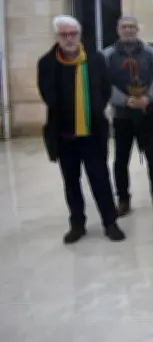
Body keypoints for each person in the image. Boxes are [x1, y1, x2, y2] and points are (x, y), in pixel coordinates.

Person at [37, 15, 125, 244]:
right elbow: (48, 95)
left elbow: (105, 89)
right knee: (71, 181)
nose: (68, 38)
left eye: (72, 34)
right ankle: (77, 224)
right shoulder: (47, 63)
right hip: (65, 135)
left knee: (100, 179)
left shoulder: (95, 59)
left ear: (79, 35)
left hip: (92, 133)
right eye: (63, 34)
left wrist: (93, 108)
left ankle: (110, 222)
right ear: (57, 36)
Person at [103, 16, 153, 216]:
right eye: (124, 27)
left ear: (137, 29)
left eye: (132, 26)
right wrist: (124, 100)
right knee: (121, 160)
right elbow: (103, 83)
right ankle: (123, 199)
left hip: (147, 114)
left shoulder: (150, 52)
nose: (128, 30)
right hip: (122, 116)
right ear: (117, 29)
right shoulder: (107, 54)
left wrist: (148, 98)